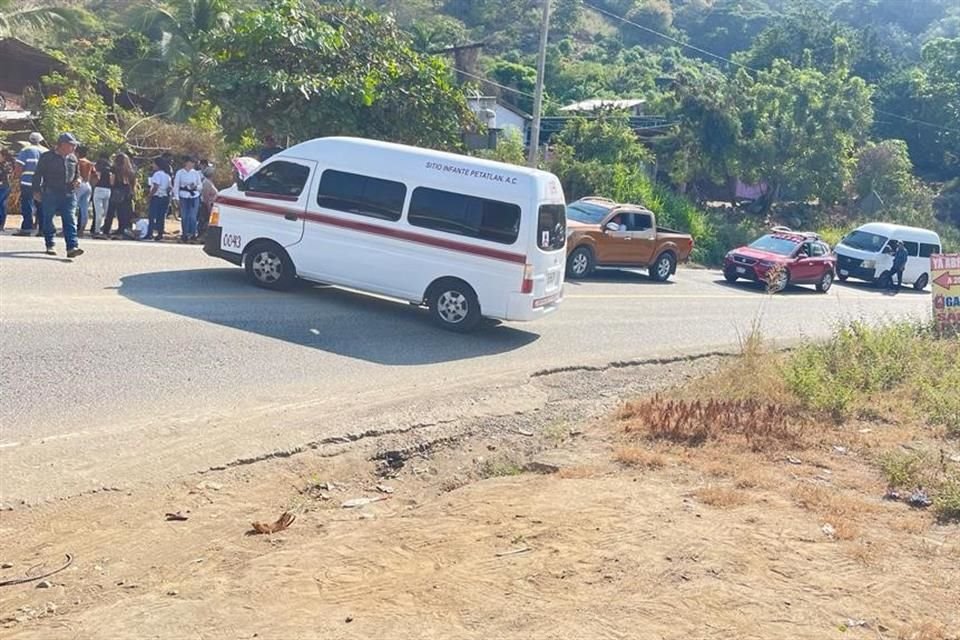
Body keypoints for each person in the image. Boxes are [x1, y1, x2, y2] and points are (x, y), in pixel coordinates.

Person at [33, 132, 83, 258]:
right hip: (50, 192)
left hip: (69, 193)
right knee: (48, 218)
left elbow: (77, 174)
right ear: (63, 145)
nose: (74, 148)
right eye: (71, 145)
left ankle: (72, 247)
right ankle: (50, 243)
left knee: (70, 218)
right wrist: (36, 191)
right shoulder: (47, 157)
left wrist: (78, 180)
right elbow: (37, 174)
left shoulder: (73, 158)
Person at [12, 132, 46, 236]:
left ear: (30, 140)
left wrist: (16, 178)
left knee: (27, 205)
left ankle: (27, 228)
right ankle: (42, 229)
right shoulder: (46, 151)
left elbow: (19, 167)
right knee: (41, 206)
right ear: (41, 140)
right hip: (42, 183)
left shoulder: (26, 150)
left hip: (27, 182)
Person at [104, 153, 135, 238]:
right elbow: (133, 184)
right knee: (123, 212)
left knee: (111, 212)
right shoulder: (130, 171)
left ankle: (106, 230)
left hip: (116, 191)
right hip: (127, 192)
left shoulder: (114, 169)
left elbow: (112, 181)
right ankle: (122, 230)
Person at [173, 156, 203, 242]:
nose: (192, 164)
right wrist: (176, 197)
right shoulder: (180, 173)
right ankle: (185, 234)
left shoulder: (195, 173)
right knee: (184, 216)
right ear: (186, 163)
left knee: (193, 216)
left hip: (194, 196)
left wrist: (195, 187)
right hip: (183, 196)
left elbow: (200, 186)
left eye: (193, 163)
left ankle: (193, 234)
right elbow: (176, 186)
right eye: (191, 162)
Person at [147, 158, 172, 241]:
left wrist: (150, 195)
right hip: (164, 197)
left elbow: (156, 186)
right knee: (161, 216)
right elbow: (169, 188)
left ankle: (150, 233)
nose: (152, 165)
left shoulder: (157, 174)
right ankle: (160, 233)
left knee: (152, 216)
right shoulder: (167, 175)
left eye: (153, 164)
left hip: (157, 197)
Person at [74, 146, 94, 238]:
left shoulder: (77, 162)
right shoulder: (89, 163)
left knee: (72, 207)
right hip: (87, 185)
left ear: (77, 153)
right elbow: (95, 175)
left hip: (79, 184)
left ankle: (71, 229)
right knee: (84, 209)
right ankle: (81, 230)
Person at [199, 165, 218, 237]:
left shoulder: (210, 182)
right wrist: (209, 207)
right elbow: (206, 196)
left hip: (211, 204)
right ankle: (202, 235)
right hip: (207, 205)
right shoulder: (206, 183)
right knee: (205, 221)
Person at [0, 148, 13, 232]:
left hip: (4, 187)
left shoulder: (7, 165)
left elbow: (7, 174)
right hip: (3, 186)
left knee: (2, 204)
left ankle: (1, 224)